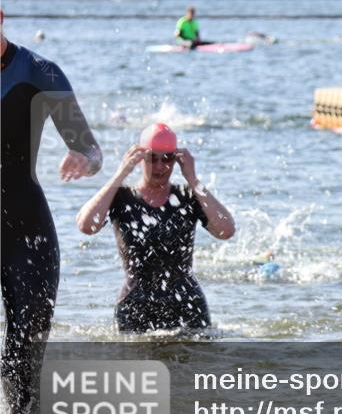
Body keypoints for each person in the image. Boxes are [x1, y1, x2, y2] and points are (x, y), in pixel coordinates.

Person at [1, 8, 103, 414]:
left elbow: (93, 151)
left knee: (25, 350)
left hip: (26, 231)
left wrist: (84, 159)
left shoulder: (39, 72)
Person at [76, 123, 235, 334]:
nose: (160, 166)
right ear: (140, 158)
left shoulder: (188, 196)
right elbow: (86, 225)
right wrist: (120, 174)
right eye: (152, 158)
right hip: (135, 305)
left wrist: (193, 179)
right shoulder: (121, 197)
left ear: (176, 159)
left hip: (187, 305)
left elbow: (226, 230)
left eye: (167, 158)